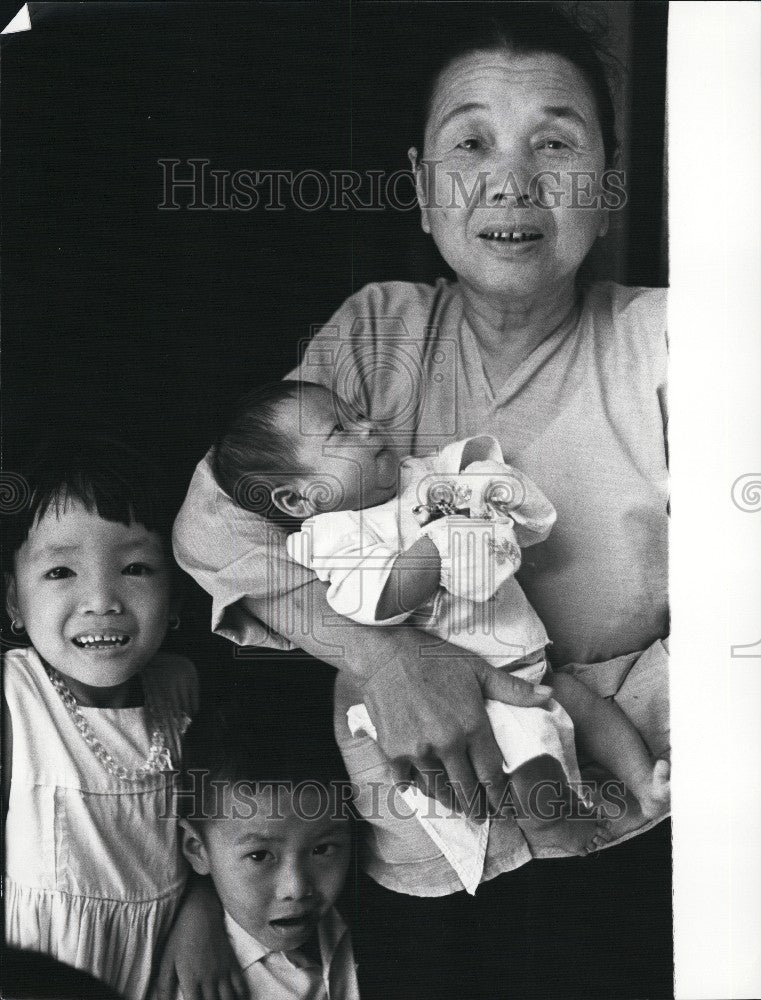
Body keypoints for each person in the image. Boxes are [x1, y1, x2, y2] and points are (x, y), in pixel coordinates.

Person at [169, 5, 671, 997]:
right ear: (419, 187)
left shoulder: (662, 345)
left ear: (609, 184)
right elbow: (215, 523)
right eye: (470, 140)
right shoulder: (376, 335)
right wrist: (384, 652)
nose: (511, 181)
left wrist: (570, 703)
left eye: (555, 143)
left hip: (630, 841)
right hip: (415, 861)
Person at [211, 378, 669, 869]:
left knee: (587, 707)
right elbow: (375, 601)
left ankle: (645, 784)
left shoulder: (422, 476)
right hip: (467, 695)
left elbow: (504, 499)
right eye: (341, 431)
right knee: (526, 766)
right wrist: (436, 541)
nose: (368, 426)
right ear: (300, 500)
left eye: (359, 414)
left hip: (526, 657)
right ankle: (555, 827)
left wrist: (492, 486)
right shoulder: (331, 538)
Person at [2, 437, 198, 1000]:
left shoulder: (181, 695)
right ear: (14, 600)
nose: (102, 600)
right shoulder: (16, 699)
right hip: (41, 974)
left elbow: (215, 837)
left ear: (177, 596)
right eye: (61, 572)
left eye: (135, 567)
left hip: (160, 968)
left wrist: (201, 913)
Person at [174, 686, 360, 1000]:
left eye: (322, 850)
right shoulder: (191, 984)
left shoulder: (377, 927)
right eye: (259, 855)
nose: (297, 888)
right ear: (196, 848)